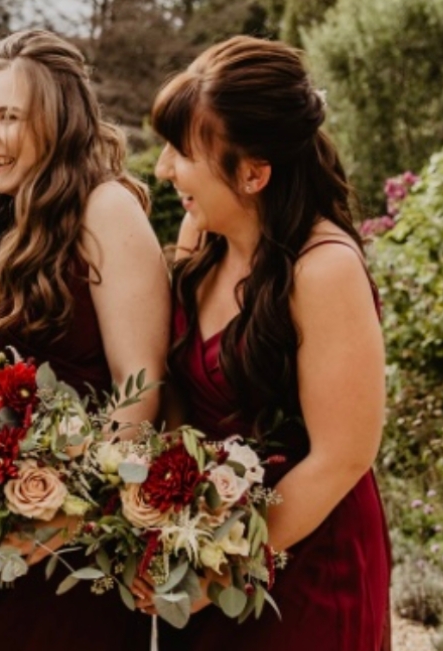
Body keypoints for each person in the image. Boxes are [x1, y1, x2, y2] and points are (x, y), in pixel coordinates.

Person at [149, 35, 391, 650]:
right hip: (202, 551)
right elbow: (180, 388)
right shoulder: (200, 236)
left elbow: (343, 456)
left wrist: (217, 566)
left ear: (254, 173)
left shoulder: (325, 270)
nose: (163, 170)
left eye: (182, 153)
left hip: (303, 567)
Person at [0, 28, 170, 651]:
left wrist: (57, 522)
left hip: (70, 553)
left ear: (60, 122)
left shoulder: (106, 209)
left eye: (10, 117)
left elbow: (140, 388)